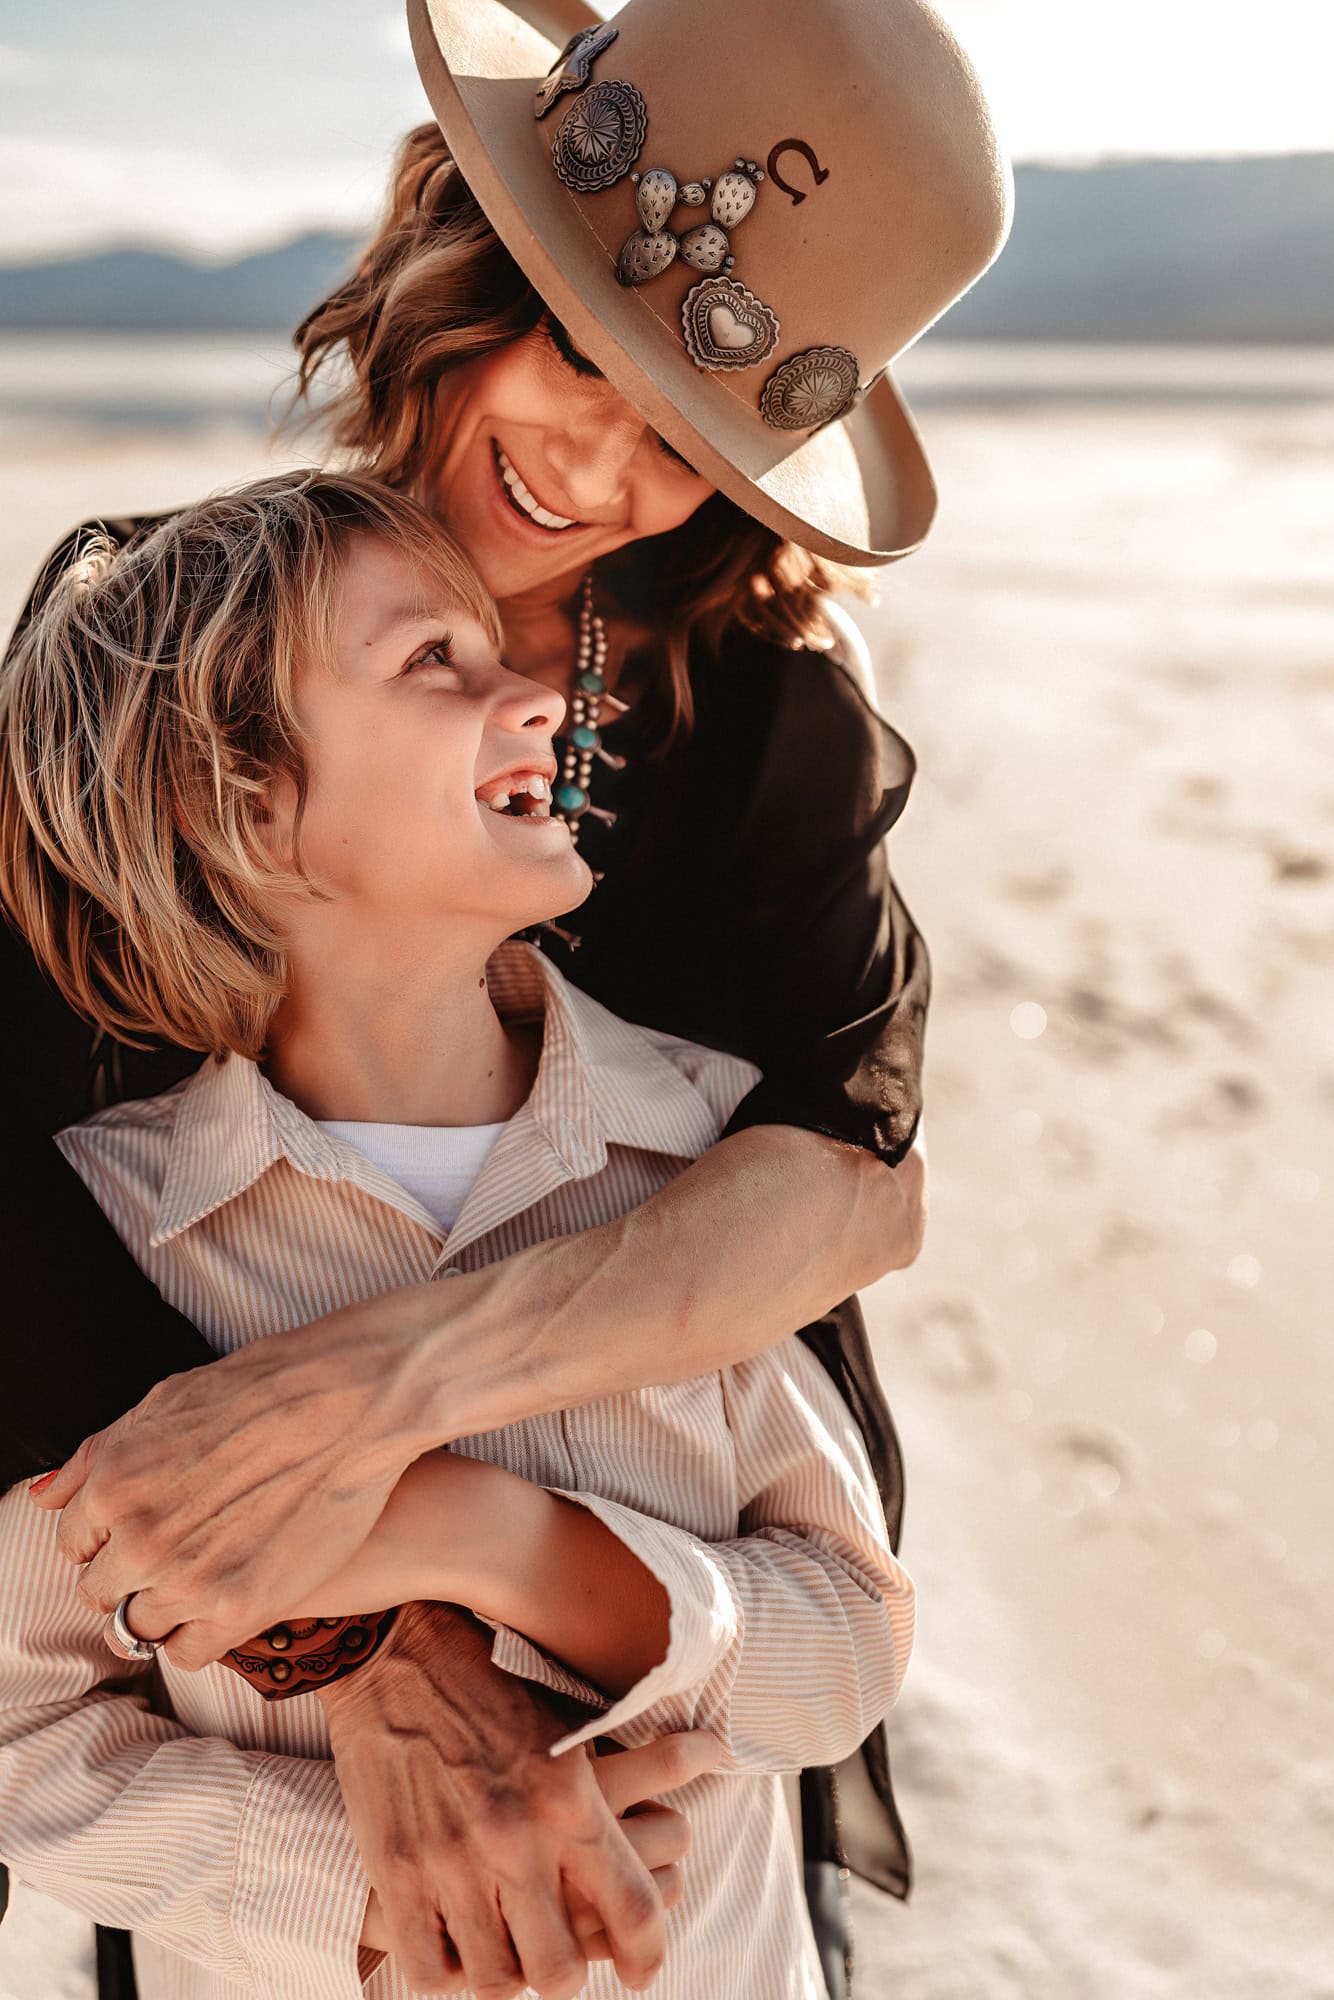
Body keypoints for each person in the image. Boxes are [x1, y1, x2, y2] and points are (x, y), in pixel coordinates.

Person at [0, 1, 1010, 1993]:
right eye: (578, 349)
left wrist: (394, 1427)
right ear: (463, 251)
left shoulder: (757, 720)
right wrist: (353, 1639)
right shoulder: (175, 679)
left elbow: (846, 1181)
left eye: (694, 435)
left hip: (680, 1700)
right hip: (202, 1670)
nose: (600, 470)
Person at [0, 468, 916, 2000]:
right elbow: (30, 1737)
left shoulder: (696, 1157)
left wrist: (495, 1543)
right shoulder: (112, 1236)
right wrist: (353, 1881)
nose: (543, 697)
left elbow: (848, 1642)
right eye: (439, 662)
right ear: (242, 798)